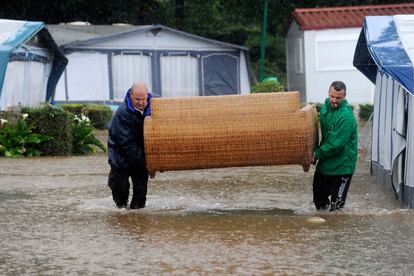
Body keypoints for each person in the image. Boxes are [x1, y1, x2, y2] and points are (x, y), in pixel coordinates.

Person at [312, 81, 358, 211]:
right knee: (319, 202)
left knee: (336, 209)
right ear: (328, 93)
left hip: (342, 168)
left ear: (345, 96)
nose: (334, 100)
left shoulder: (346, 117)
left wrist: (316, 154)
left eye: (338, 98)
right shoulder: (325, 108)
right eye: (332, 96)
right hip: (325, 164)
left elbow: (335, 145)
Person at [107, 82, 154, 209]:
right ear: (130, 95)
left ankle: (137, 219)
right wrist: (148, 163)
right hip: (121, 156)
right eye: (137, 99)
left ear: (147, 96)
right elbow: (127, 145)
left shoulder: (153, 106)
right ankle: (122, 213)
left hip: (140, 155)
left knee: (140, 193)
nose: (140, 102)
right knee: (120, 191)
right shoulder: (123, 114)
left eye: (143, 99)